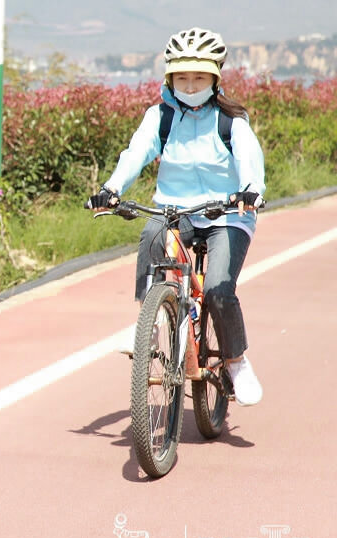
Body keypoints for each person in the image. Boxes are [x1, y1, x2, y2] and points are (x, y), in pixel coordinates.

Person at [88, 26, 266, 406]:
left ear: (215, 77)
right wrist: (111, 188)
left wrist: (251, 192)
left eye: (198, 77)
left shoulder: (231, 120)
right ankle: (148, 329)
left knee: (218, 288)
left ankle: (236, 360)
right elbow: (134, 154)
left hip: (227, 213)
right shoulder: (160, 117)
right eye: (182, 77)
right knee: (152, 236)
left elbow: (249, 162)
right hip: (176, 210)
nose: (189, 85)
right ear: (169, 77)